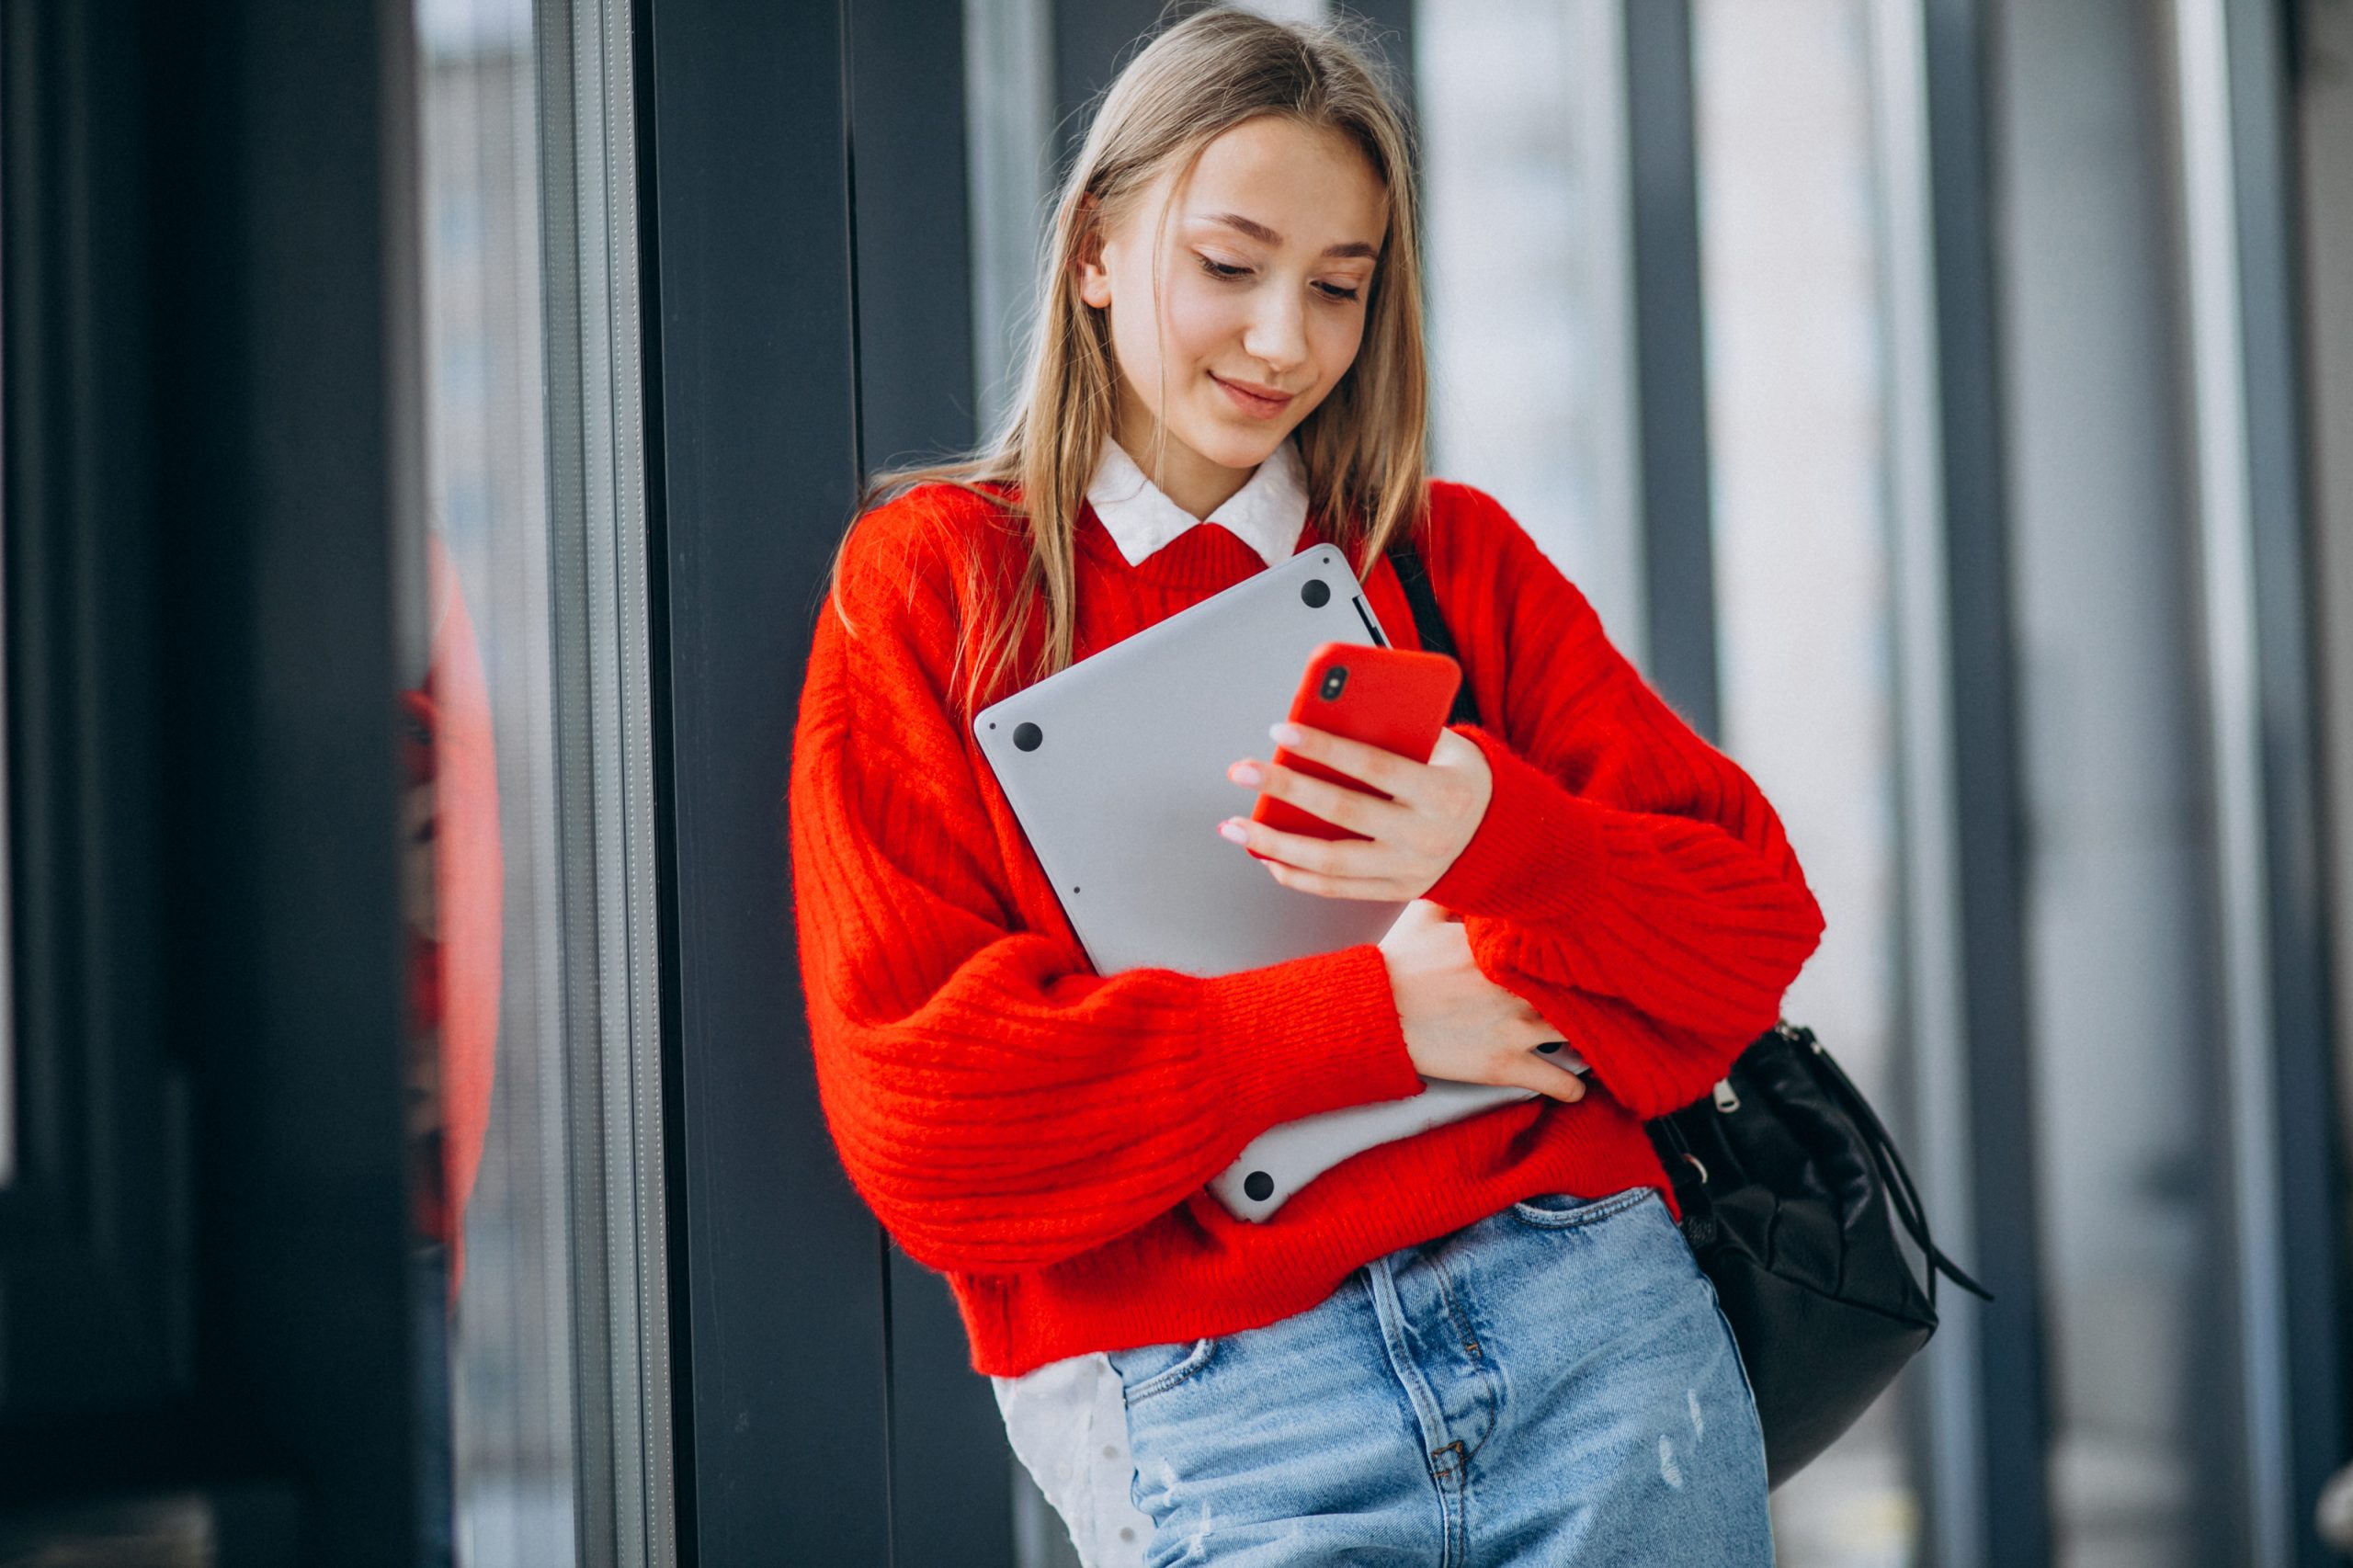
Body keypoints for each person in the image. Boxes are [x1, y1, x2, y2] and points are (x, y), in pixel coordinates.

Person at [788, 8, 1824, 1563]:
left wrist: (1503, 841)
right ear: (1092, 251)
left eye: (1340, 288)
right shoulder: (938, 588)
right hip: (1217, 1403)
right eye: (1229, 266)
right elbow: (932, 1125)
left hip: (1593, 1331)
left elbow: (1750, 929)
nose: (1285, 339)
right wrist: (1378, 1015)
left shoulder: (1446, 558)